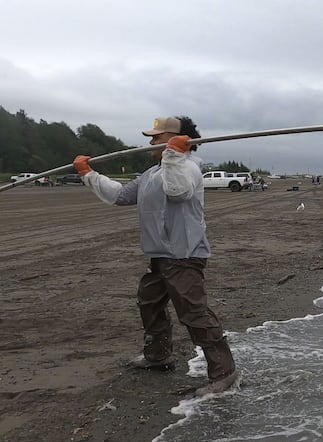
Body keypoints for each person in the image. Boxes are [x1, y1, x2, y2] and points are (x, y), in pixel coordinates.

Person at [72, 116, 239, 397]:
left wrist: (174, 156)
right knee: (149, 302)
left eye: (156, 137)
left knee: (194, 313)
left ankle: (225, 373)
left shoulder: (189, 169)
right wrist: (88, 174)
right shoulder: (152, 173)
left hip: (184, 255)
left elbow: (178, 192)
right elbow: (122, 196)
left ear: (175, 138)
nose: (150, 142)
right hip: (160, 255)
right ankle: (158, 356)